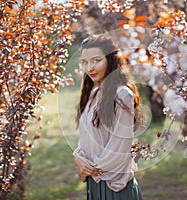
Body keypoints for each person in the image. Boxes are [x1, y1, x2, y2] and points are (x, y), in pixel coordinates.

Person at [73, 34, 143, 200]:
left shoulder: (122, 95)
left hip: (114, 186)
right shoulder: (93, 94)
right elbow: (85, 136)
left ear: (110, 60)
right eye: (84, 62)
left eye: (96, 60)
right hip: (95, 183)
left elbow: (120, 148)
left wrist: (92, 170)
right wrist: (78, 157)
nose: (89, 68)